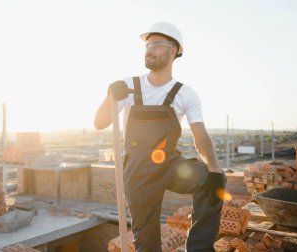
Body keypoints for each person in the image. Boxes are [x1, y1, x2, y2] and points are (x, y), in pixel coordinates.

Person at [94, 22, 226, 252]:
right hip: (138, 172)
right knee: (147, 245)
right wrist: (109, 96)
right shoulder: (128, 86)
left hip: (169, 165)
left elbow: (200, 136)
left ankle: (199, 248)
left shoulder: (185, 93)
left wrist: (215, 171)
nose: (148, 49)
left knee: (210, 179)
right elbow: (99, 123)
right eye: (147, 45)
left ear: (173, 50)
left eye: (155, 44)